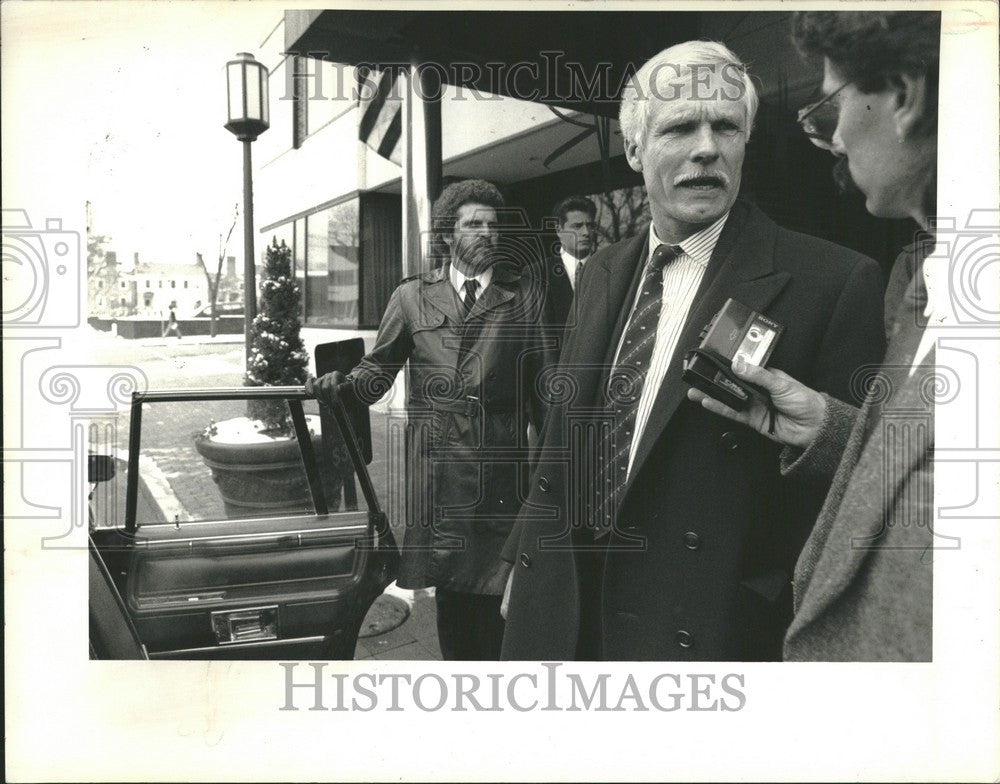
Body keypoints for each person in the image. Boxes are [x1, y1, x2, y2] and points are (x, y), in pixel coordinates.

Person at [500, 40, 887, 661]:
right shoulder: (600, 271)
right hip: (567, 602)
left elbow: (863, 490)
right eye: (681, 126)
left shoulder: (834, 282)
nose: (707, 147)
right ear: (634, 149)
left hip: (703, 626)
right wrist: (525, 554)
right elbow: (562, 433)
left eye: (726, 126)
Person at [687, 12, 941, 662]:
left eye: (829, 106)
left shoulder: (860, 278)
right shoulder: (925, 283)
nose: (828, 142)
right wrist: (829, 430)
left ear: (906, 96)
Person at [308, 179, 549, 660]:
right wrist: (344, 383)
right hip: (437, 474)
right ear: (446, 235)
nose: (487, 233)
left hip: (500, 475)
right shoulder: (412, 298)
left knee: (498, 601)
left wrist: (547, 480)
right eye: (473, 224)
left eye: (493, 225)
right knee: (452, 601)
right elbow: (379, 370)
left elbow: (546, 396)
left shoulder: (521, 300)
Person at [545, 195, 598, 328]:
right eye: (577, 226)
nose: (586, 232)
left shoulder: (610, 270)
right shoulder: (539, 273)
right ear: (558, 230)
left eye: (590, 225)